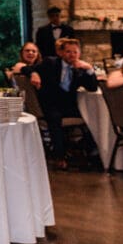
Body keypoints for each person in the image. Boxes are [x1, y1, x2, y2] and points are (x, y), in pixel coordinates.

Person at [31, 37, 98, 169]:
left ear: (79, 54)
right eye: (68, 51)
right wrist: (34, 73)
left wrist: (89, 69)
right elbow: (27, 69)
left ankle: (90, 153)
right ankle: (59, 156)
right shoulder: (51, 62)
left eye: (75, 52)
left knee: (92, 115)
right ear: (61, 53)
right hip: (51, 103)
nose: (72, 55)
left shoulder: (80, 69)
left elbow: (93, 87)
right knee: (55, 118)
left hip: (68, 106)